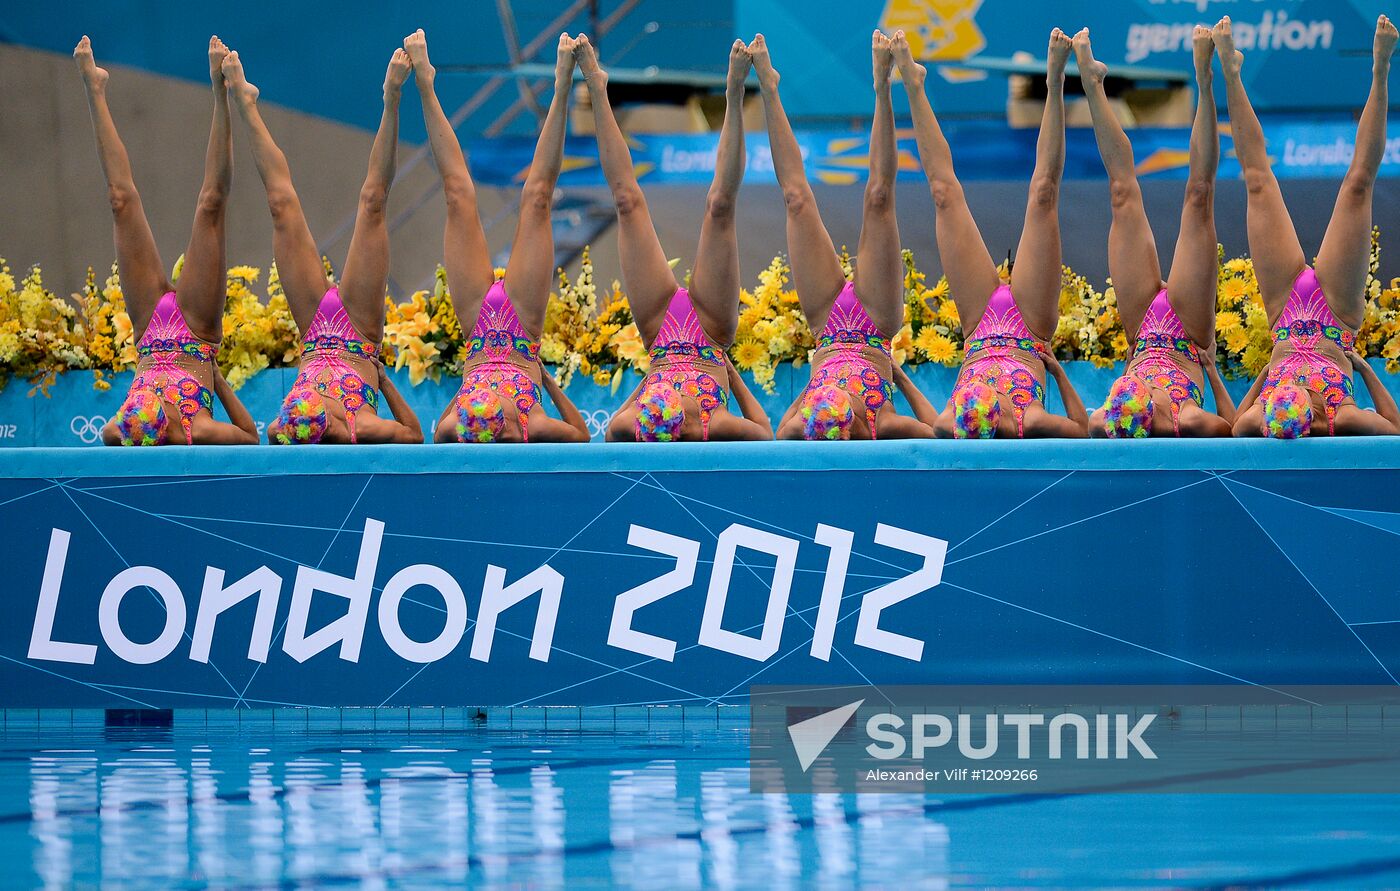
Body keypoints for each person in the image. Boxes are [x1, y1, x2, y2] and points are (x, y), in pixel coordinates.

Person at [573, 38, 771, 442]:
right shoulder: (713, 424)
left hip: (659, 332)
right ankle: (733, 95)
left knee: (627, 203)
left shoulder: (639, 423)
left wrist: (647, 386)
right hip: (712, 332)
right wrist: (729, 373)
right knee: (719, 206)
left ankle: (597, 89)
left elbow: (612, 432)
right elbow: (765, 434)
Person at [895, 29, 1088, 438]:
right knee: (1043, 194)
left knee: (944, 195)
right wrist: (1054, 369)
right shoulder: (1028, 420)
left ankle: (914, 85)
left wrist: (903, 379)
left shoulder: (955, 422)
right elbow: (1082, 429)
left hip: (978, 324)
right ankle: (1055, 83)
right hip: (1030, 327)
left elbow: (932, 429)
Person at [224, 47, 422, 444]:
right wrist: (382, 381)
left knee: (281, 206)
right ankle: (392, 99)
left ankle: (246, 105)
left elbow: (263, 434)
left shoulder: (290, 427)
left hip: (313, 331)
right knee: (372, 204)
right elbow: (415, 436)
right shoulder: (359, 427)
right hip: (359, 334)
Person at [406, 30, 590, 444]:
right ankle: (562, 88)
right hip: (523, 328)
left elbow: (436, 435)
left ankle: (425, 85)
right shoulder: (532, 426)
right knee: (538, 199)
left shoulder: (460, 428)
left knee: (457, 197)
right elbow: (581, 437)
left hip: (476, 327)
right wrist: (547, 380)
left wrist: (464, 390)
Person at [1221, 15, 1400, 437]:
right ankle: (1381, 68)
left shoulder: (1265, 414)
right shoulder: (1344, 417)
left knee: (1258, 183)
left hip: (1283, 310)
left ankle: (1231, 74)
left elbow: (1233, 429)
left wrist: (1267, 375)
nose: (1298, 384)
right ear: (1316, 410)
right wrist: (1363, 368)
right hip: (1337, 313)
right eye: (1303, 391)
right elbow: (1395, 429)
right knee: (1358, 186)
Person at [753, 32, 937, 440]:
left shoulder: (810, 424)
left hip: (825, 329)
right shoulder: (883, 424)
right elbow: (937, 430)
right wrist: (897, 376)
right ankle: (882, 87)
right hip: (875, 322)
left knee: (797, 200)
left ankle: (769, 88)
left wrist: (815, 381)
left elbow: (779, 436)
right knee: (878, 198)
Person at [76, 36, 258, 446]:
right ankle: (220, 93)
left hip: (148, 329)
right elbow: (250, 438)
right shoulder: (199, 429)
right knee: (210, 206)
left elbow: (108, 433)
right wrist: (216, 378)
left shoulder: (126, 428)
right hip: (196, 330)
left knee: (120, 201)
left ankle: (94, 89)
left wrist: (130, 417)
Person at [1075, 28, 1235, 437]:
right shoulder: (1188, 420)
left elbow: (1084, 424)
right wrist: (1210, 367)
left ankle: (1092, 83)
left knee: (1121, 194)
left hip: (1141, 331)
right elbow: (1235, 431)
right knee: (1198, 197)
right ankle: (1205, 79)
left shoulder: (1105, 420)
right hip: (1189, 331)